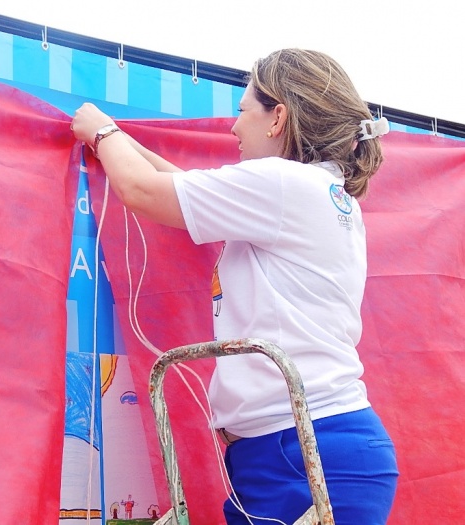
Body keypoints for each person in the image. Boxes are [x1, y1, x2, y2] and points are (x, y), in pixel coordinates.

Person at [70, 48, 398, 525]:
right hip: (302, 446)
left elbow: (141, 190)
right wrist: (122, 141)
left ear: (277, 118)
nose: (233, 127)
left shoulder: (284, 183)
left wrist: (100, 131)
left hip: (302, 450)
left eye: (243, 111)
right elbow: (183, 186)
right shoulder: (314, 191)